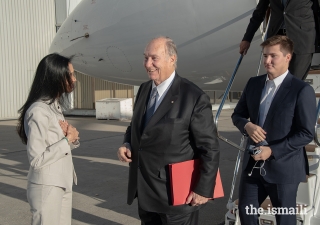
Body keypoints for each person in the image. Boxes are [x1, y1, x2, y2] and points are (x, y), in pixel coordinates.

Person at [117, 36, 220, 225]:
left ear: (172, 59)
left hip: (178, 199)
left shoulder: (193, 97)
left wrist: (204, 189)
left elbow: (210, 148)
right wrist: (127, 142)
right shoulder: (144, 89)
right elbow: (136, 126)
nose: (148, 64)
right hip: (146, 193)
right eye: (145, 58)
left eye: (154, 58)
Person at [232, 35, 316, 224]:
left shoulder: (301, 90)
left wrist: (272, 150)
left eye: (273, 56)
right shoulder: (253, 83)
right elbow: (237, 115)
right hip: (252, 167)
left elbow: (306, 133)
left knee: (284, 219)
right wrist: (247, 125)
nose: (267, 61)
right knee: (246, 215)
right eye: (264, 56)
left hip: (284, 170)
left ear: (288, 57)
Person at [17, 53, 80, 225]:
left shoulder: (54, 107)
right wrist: (66, 140)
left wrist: (71, 139)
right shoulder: (38, 110)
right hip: (47, 185)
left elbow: (56, 146)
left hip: (61, 182)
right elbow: (36, 159)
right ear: (56, 76)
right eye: (71, 75)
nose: (74, 79)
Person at [239, 0, 316, 80]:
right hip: (276, 39)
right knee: (275, 80)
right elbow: (259, 13)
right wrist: (247, 39)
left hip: (302, 40)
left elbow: (317, 11)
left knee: (296, 81)